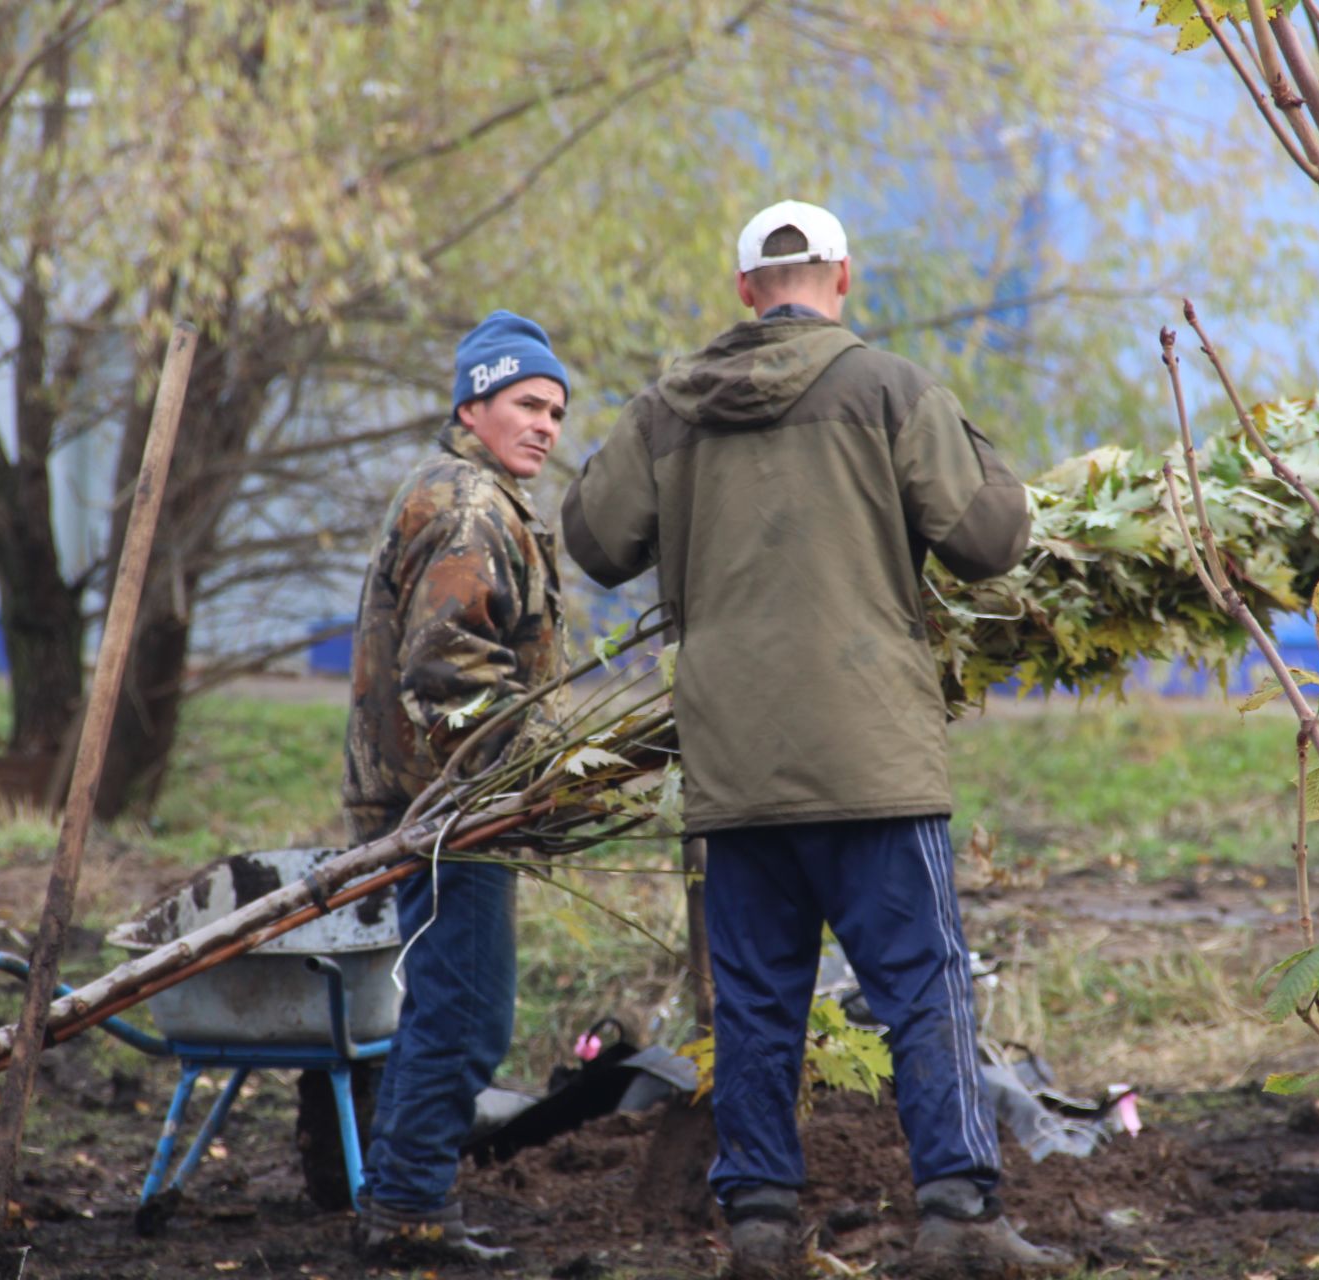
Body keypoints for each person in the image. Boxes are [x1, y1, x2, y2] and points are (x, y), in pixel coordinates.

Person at [561, 202, 1067, 1277]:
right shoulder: (889, 387)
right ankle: (961, 1217)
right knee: (923, 985)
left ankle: (756, 1229)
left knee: (752, 1003)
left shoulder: (666, 406)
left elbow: (594, 542)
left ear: (746, 290)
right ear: (840, 277)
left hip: (735, 766)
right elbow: (989, 538)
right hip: (872, 759)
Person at [342, 309, 568, 1263]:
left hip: (450, 803)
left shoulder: (467, 494)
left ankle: (404, 1201)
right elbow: (447, 671)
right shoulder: (472, 509)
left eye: (557, 410)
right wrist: (540, 771)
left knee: (451, 1007)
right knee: (465, 1015)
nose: (547, 425)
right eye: (526, 402)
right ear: (473, 403)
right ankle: (407, 1215)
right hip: (455, 811)